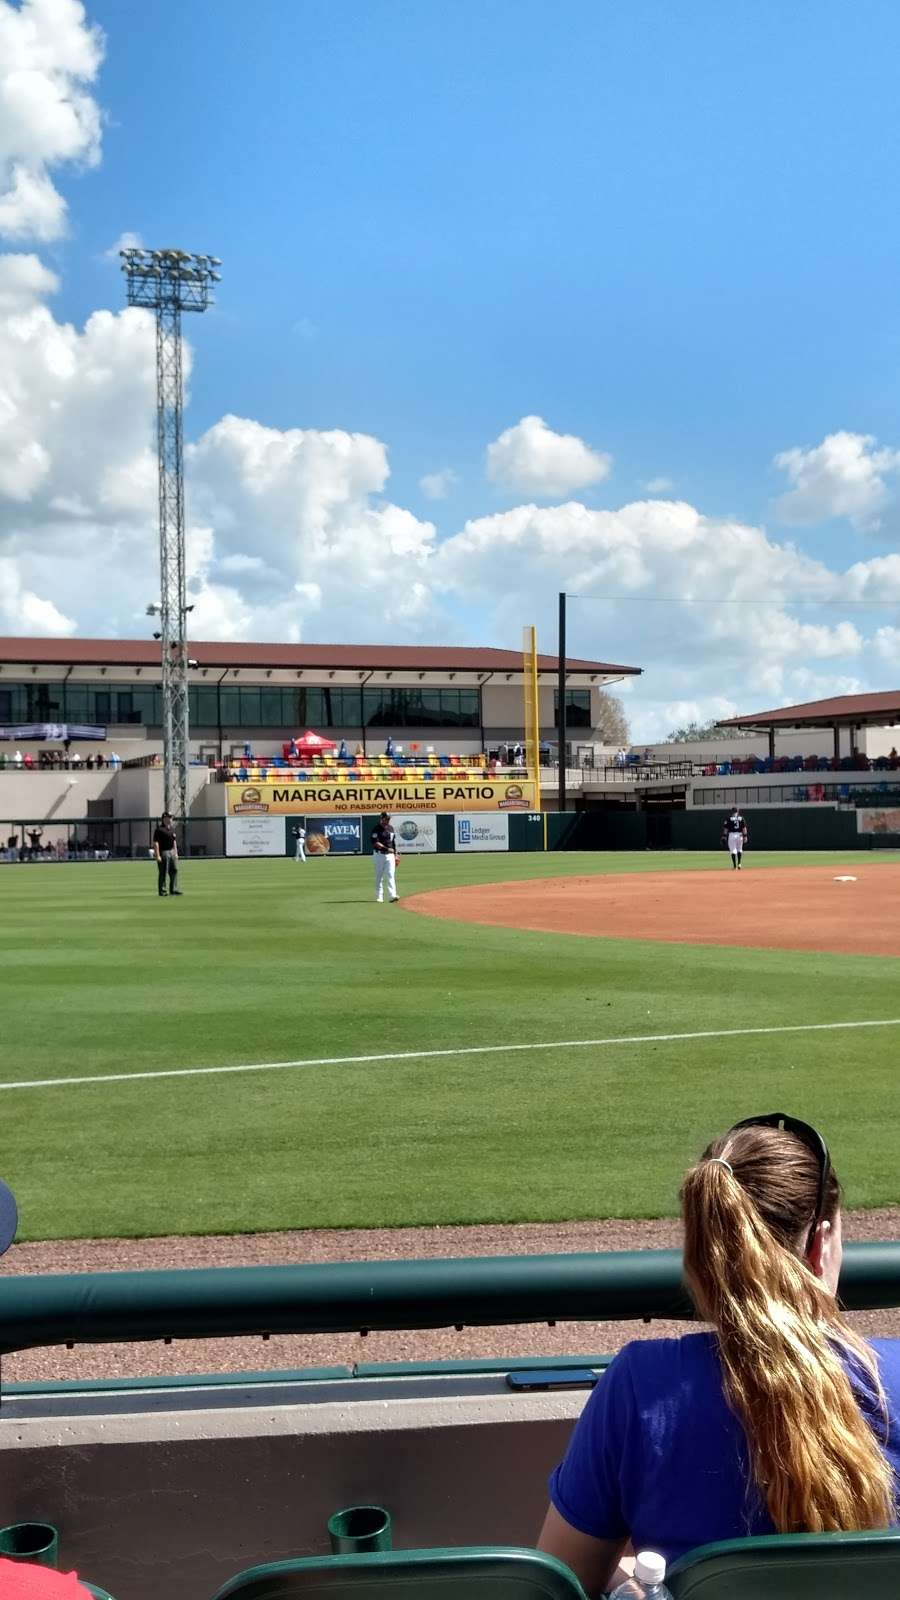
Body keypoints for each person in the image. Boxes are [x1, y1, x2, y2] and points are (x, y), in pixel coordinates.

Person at [538, 1114, 900, 1594]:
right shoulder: (891, 1376)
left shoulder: (639, 1388)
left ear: (701, 1258)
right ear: (821, 1245)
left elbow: (560, 1583)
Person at [371, 810, 399, 903]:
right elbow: (376, 843)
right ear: (382, 819)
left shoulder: (391, 828)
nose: (388, 820)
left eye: (389, 819)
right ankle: (379, 896)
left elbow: (393, 842)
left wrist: (396, 855)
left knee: (391, 875)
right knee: (379, 876)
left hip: (390, 856)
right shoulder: (376, 829)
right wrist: (387, 849)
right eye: (386, 819)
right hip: (379, 855)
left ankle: (392, 895)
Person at [153, 811, 182, 897]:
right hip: (163, 852)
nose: (170, 819)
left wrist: (176, 853)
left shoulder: (172, 829)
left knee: (174, 870)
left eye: (171, 818)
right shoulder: (159, 830)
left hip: (171, 851)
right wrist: (157, 855)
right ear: (164, 818)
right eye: (169, 817)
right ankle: (162, 891)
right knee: (163, 872)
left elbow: (174, 842)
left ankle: (173, 889)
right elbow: (156, 843)